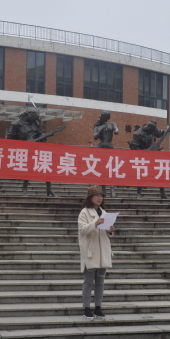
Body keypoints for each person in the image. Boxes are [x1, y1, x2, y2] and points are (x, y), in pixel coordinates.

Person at [78, 185, 115, 320]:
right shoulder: (84, 212)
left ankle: (98, 308)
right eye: (97, 196)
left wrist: (110, 231)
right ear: (90, 198)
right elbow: (82, 230)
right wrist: (95, 223)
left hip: (103, 252)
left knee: (100, 282)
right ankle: (86, 308)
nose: (100, 198)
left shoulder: (104, 212)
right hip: (91, 252)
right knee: (88, 282)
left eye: (101, 196)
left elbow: (106, 233)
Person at [93, 111, 119, 198]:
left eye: (106, 117)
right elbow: (95, 137)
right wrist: (101, 129)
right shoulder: (97, 127)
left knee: (111, 169)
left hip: (109, 146)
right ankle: (103, 189)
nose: (105, 118)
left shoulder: (112, 124)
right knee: (102, 169)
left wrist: (116, 131)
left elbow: (116, 129)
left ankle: (112, 189)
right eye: (103, 116)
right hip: (101, 146)